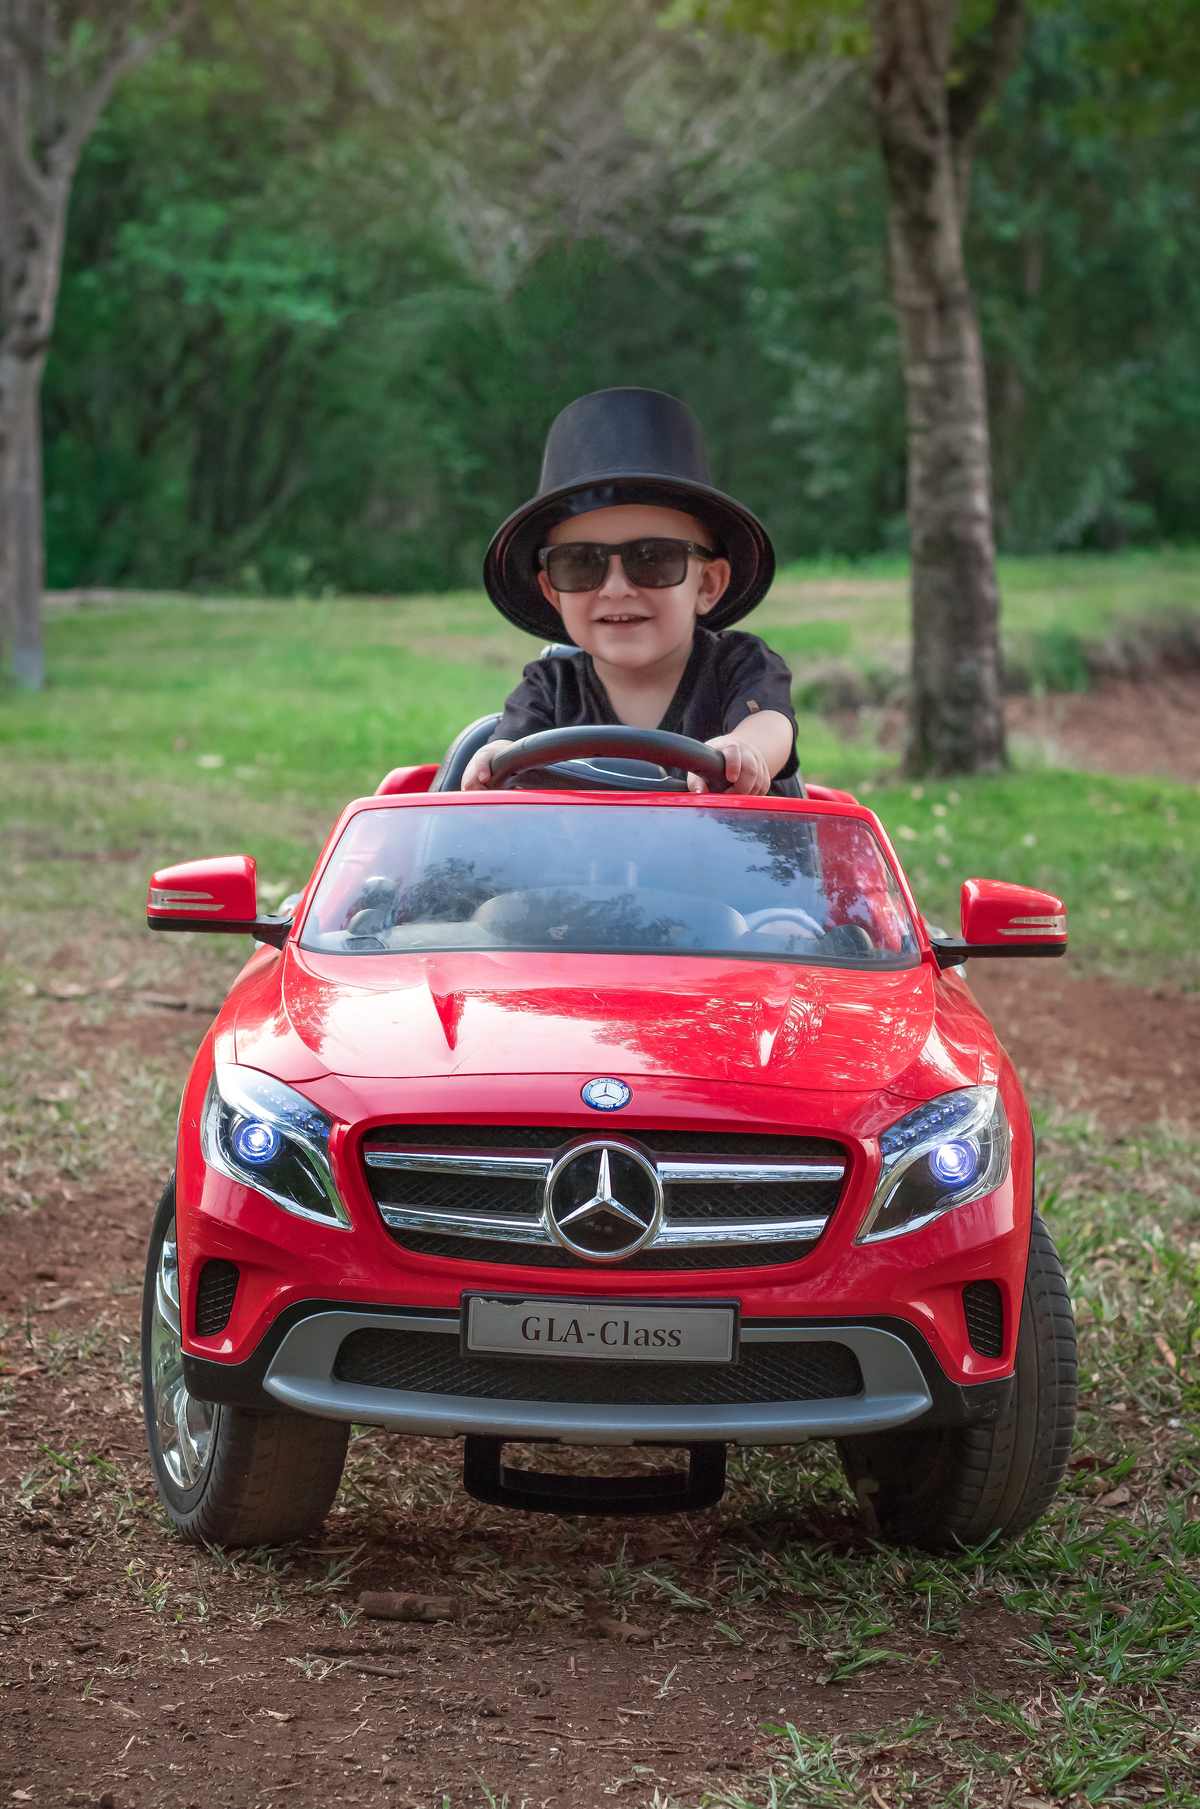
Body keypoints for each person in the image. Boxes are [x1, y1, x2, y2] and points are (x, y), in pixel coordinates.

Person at [463, 387, 799, 794]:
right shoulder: (549, 688)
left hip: (727, 854)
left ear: (707, 584)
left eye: (653, 558)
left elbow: (771, 723)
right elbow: (506, 750)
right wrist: (490, 761)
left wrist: (746, 749)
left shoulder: (740, 666)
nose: (616, 589)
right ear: (553, 591)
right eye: (580, 563)